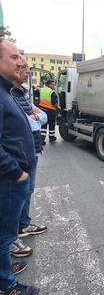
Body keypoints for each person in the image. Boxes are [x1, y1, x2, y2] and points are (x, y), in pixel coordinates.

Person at [0, 38, 40, 294]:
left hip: (13, 178)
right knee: (3, 235)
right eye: (14, 57)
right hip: (9, 179)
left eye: (21, 57)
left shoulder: (7, 92)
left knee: (6, 233)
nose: (22, 61)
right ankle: (6, 285)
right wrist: (18, 173)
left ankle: (4, 269)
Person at [10, 57, 48, 259]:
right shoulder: (8, 95)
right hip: (18, 155)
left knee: (28, 190)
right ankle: (10, 236)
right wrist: (33, 119)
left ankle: (23, 225)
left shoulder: (22, 93)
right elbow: (23, 123)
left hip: (33, 149)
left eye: (28, 67)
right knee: (13, 196)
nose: (27, 71)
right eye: (24, 67)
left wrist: (33, 118)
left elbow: (42, 117)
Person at [39, 79, 60, 145]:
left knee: (43, 125)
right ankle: (52, 137)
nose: (54, 86)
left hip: (42, 109)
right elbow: (54, 103)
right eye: (53, 84)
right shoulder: (51, 92)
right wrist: (58, 107)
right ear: (49, 85)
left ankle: (42, 140)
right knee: (52, 124)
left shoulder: (42, 89)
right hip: (50, 110)